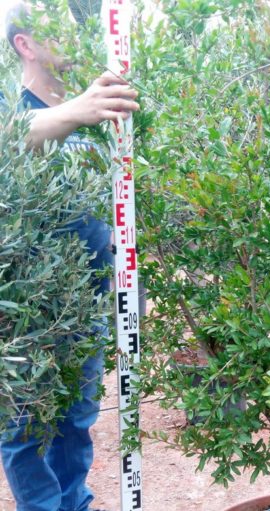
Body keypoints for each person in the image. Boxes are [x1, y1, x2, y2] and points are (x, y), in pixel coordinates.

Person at [0, 3, 139, 511]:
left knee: (76, 419)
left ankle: (74, 503)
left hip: (89, 299)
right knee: (25, 425)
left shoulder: (97, 115)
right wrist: (75, 110)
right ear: (25, 44)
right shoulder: (11, 106)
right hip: (24, 309)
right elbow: (10, 139)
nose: (73, 37)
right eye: (56, 29)